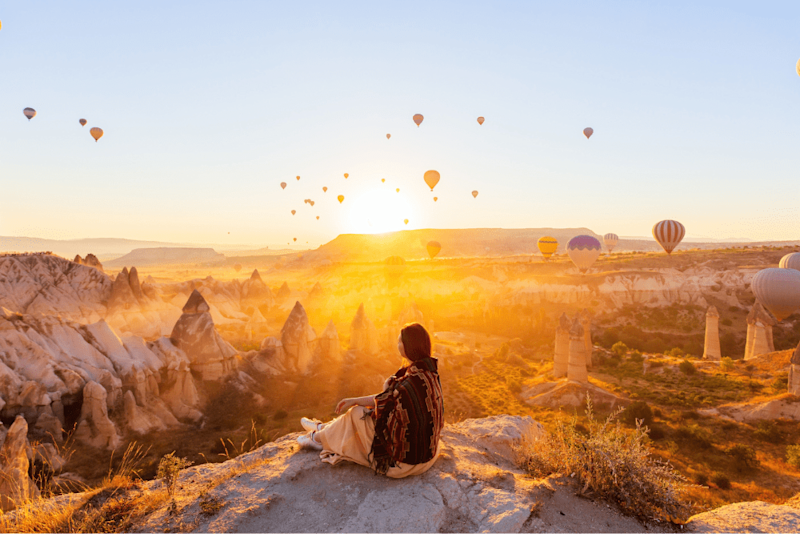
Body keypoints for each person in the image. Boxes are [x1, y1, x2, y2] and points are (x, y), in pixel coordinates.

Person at [297, 322, 444, 478]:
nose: (397, 344)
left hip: (403, 464)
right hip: (427, 455)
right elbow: (388, 401)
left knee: (356, 414)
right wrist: (355, 399)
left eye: (400, 341)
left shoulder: (406, 386)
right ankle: (323, 429)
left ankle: (318, 439)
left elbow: (383, 412)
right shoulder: (429, 373)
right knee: (361, 411)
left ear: (410, 347)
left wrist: (364, 400)